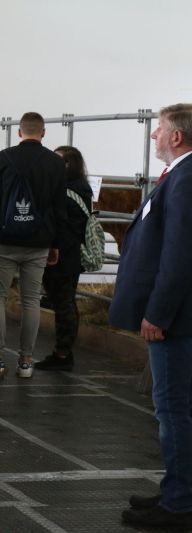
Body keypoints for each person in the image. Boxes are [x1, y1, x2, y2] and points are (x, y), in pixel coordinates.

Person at [110, 103, 192, 529]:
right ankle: (177, 488)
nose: (153, 135)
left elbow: (179, 256)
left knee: (172, 409)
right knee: (174, 408)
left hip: (176, 320)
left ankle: (179, 505)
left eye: (158, 129)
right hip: (176, 316)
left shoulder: (185, 180)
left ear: (176, 137)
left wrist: (157, 313)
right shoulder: (177, 177)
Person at [0, 111, 68, 378]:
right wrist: (56, 243)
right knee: (31, 300)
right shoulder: (55, 163)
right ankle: (26, 362)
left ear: (19, 132)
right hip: (39, 241)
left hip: (5, 239)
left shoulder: (3, 158)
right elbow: (59, 206)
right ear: (43, 133)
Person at [34, 146, 93, 371]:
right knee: (65, 302)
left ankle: (63, 354)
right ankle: (63, 352)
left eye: (57, 161)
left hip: (63, 255)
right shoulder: (80, 187)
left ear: (68, 164)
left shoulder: (69, 190)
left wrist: (53, 246)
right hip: (67, 254)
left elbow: (62, 223)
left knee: (64, 304)